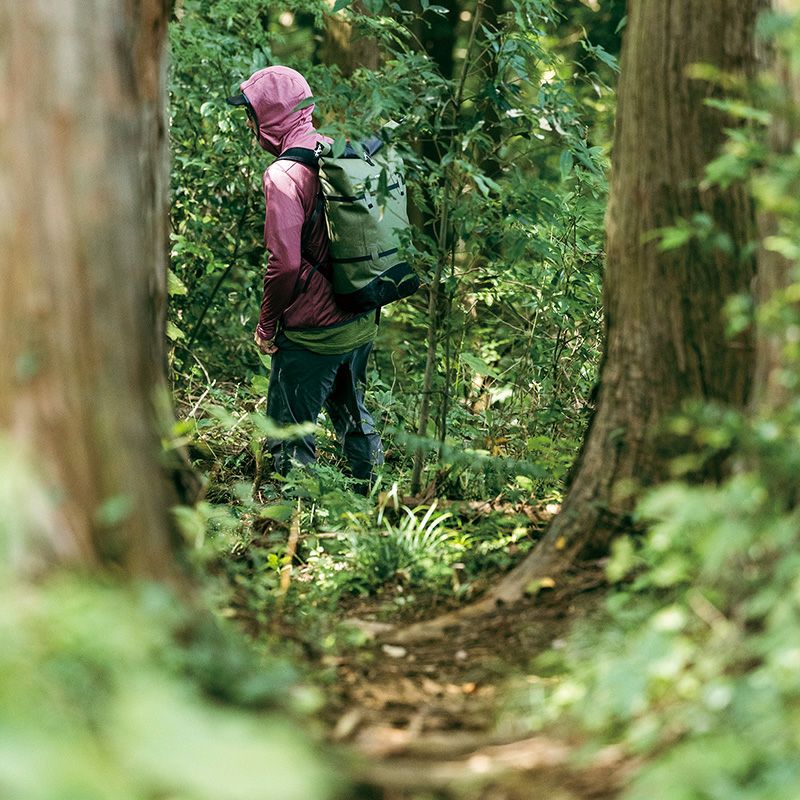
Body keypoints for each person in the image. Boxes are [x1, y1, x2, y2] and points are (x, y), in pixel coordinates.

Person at [227, 65, 383, 493]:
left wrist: (266, 325)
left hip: (312, 334)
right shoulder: (338, 151)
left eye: (252, 114)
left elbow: (285, 265)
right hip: (360, 316)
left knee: (289, 435)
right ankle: (370, 502)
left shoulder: (282, 176)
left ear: (271, 116)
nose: (249, 124)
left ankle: (292, 516)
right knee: (355, 417)